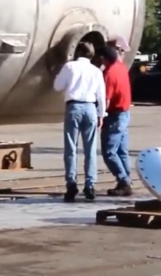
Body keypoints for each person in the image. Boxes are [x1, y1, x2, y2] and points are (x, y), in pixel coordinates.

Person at [53, 41, 106, 202]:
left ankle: (71, 184)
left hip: (73, 107)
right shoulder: (96, 71)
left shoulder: (70, 67)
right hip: (90, 107)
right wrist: (101, 114)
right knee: (90, 149)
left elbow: (57, 86)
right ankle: (90, 185)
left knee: (71, 148)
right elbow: (101, 95)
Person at [100, 46, 133, 196]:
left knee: (109, 152)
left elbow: (106, 99)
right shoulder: (121, 67)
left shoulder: (108, 73)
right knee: (121, 151)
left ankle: (124, 180)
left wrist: (100, 116)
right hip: (125, 113)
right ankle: (126, 180)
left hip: (114, 115)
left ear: (103, 58)